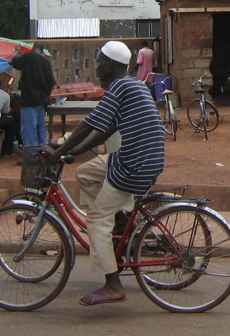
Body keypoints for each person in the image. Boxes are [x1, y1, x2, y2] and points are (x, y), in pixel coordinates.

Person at [42, 40, 165, 307]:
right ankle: (121, 220)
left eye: (99, 62)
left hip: (134, 163)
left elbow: (89, 123)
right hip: (140, 158)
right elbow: (106, 129)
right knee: (86, 172)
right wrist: (72, 153)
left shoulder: (120, 86)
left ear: (110, 64)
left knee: (96, 219)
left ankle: (112, 285)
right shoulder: (132, 85)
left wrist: (61, 149)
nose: (96, 67)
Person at [10, 42, 56, 148]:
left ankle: (31, 154)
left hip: (29, 99)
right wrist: (46, 95)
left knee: (29, 127)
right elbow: (51, 83)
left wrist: (17, 50)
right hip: (42, 100)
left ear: (33, 48)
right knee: (40, 127)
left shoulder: (29, 56)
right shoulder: (46, 62)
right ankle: (43, 151)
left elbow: (12, 61)